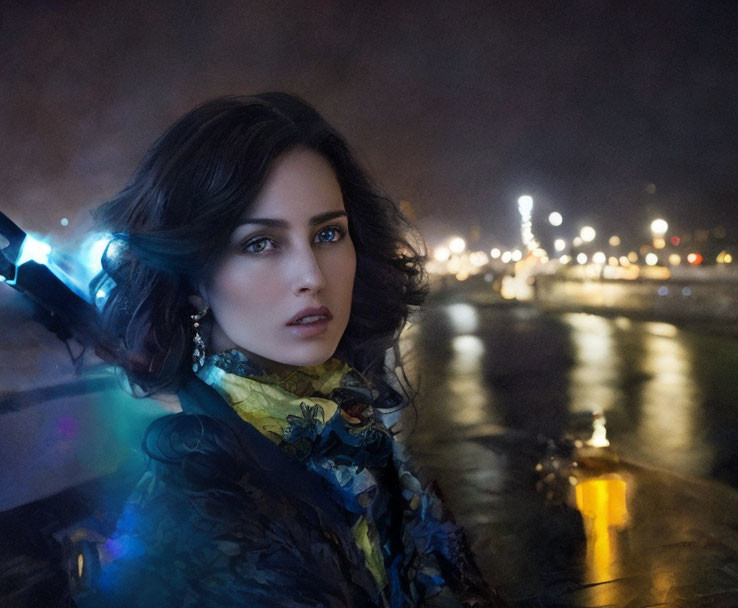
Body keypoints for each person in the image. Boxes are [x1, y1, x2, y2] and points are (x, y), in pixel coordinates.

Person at [70, 93, 498, 607]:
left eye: (328, 233)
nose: (312, 277)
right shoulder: (191, 522)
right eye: (260, 243)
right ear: (193, 281)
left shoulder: (362, 444)